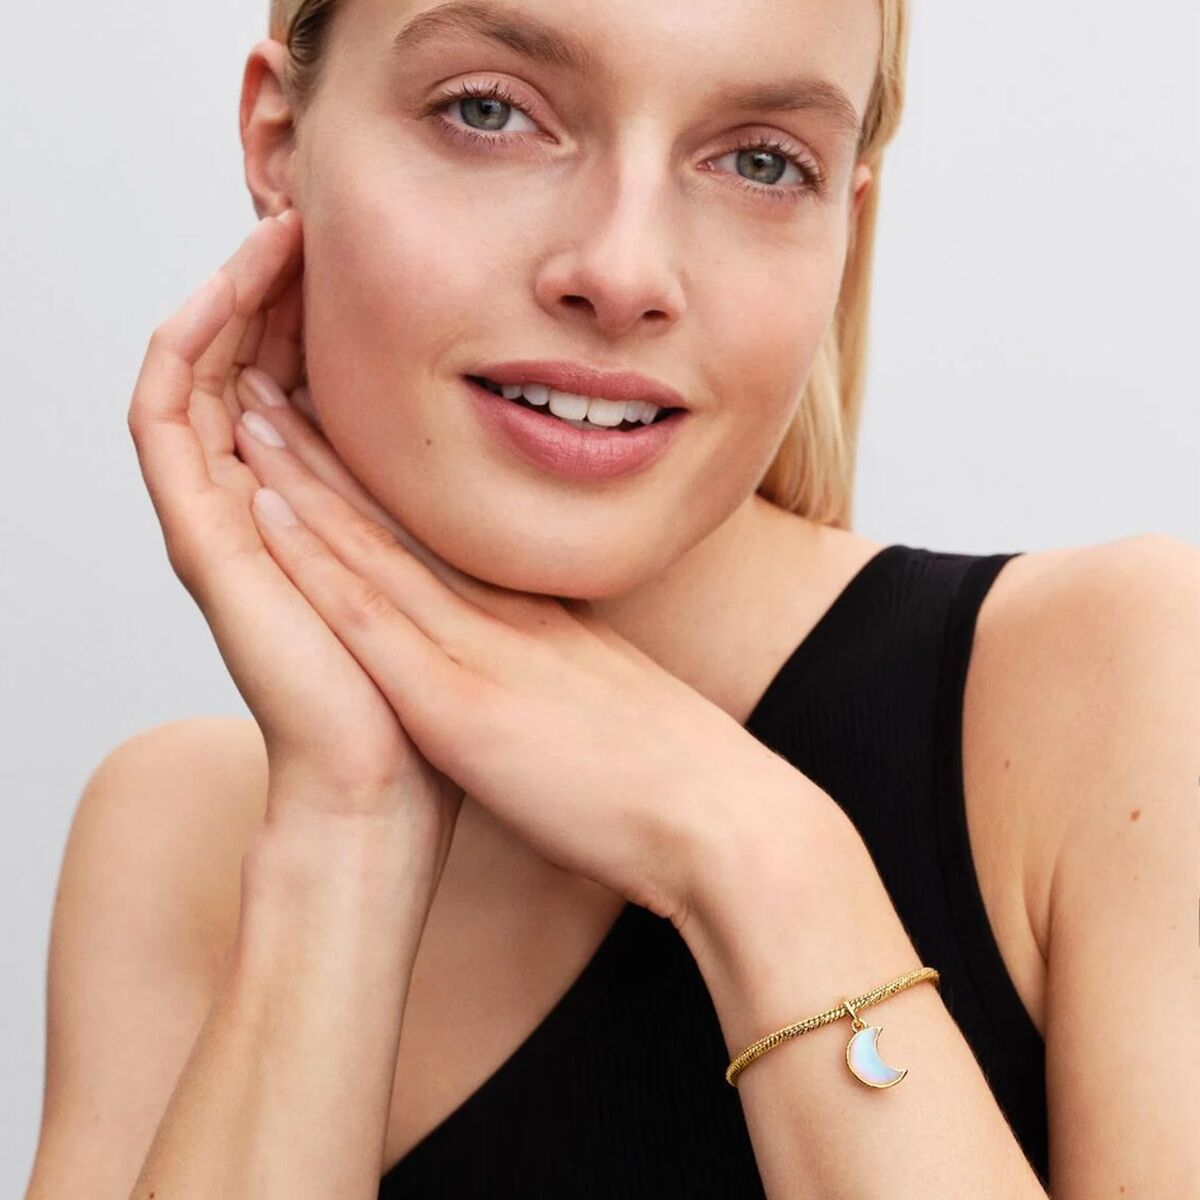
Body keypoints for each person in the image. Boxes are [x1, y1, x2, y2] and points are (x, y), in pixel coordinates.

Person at [24, 1, 1198, 1197]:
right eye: (489, 112)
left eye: (760, 163)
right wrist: (348, 833)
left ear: (842, 226)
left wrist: (762, 861)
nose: (624, 273)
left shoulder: (1117, 689)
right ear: (282, 142)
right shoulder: (181, 838)